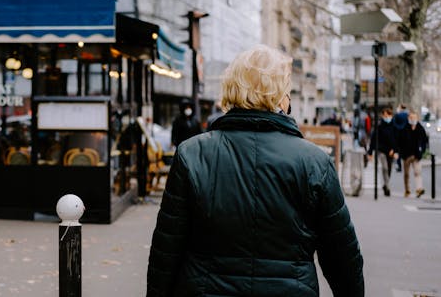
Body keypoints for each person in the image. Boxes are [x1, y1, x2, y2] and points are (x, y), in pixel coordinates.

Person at [147, 44, 364, 297]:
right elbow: (342, 257)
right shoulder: (315, 162)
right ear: (280, 95)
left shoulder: (192, 154)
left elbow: (166, 250)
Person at [367, 107, 399, 196]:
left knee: (389, 169)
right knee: (384, 168)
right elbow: (373, 139)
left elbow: (397, 140)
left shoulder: (394, 127)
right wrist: (370, 152)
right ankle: (388, 187)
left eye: (388, 115)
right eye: (385, 115)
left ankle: (385, 184)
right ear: (382, 116)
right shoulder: (379, 127)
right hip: (381, 150)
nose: (387, 117)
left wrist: (395, 151)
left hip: (391, 151)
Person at [397, 112, 428, 197]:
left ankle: (419, 189)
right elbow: (400, 142)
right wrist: (401, 153)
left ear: (417, 119)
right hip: (406, 155)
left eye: (414, 118)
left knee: (417, 172)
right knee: (406, 174)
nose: (413, 119)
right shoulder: (404, 129)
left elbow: (424, 142)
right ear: (408, 119)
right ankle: (407, 190)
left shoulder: (420, 129)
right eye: (411, 118)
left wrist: (422, 152)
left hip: (416, 155)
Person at [393, 104, 409, 172]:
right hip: (406, 135)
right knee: (405, 150)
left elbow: (394, 124)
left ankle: (399, 166)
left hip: (398, 136)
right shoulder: (407, 115)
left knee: (398, 151)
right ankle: (406, 165)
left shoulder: (397, 115)